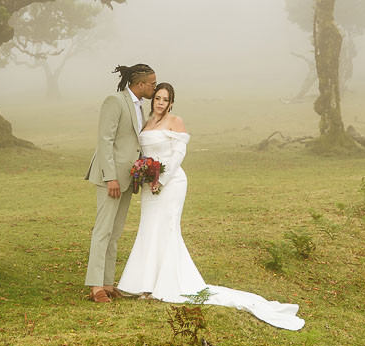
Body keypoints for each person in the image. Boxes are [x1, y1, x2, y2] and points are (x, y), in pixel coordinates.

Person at [117, 83, 305, 331]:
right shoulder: (147, 123)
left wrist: (160, 179)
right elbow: (142, 152)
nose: (160, 103)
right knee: (148, 229)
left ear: (171, 102)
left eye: (165, 99)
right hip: (149, 184)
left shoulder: (176, 122)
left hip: (170, 182)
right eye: (158, 98)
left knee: (166, 229)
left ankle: (162, 285)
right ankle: (142, 282)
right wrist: (143, 175)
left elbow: (177, 154)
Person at [83, 64, 157, 303]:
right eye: (152, 84)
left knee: (115, 233)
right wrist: (110, 177)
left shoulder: (139, 106)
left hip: (128, 178)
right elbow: (105, 141)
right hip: (111, 178)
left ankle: (107, 283)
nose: (154, 88)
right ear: (141, 84)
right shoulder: (114, 101)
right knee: (103, 230)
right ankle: (95, 287)